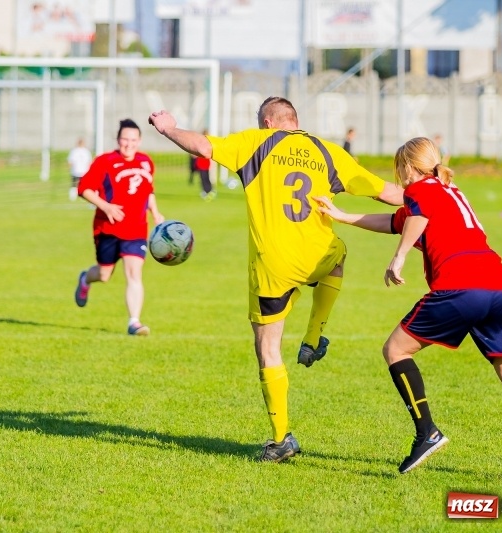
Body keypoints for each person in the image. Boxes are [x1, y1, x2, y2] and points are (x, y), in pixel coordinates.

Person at [315, 136, 502, 486]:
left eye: (399, 169)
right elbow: (397, 221)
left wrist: (399, 256)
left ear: (410, 167)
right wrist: (343, 217)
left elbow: (416, 216)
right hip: (501, 286)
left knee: (395, 350)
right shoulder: (448, 190)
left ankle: (427, 432)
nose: (400, 177)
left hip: (461, 285)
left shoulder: (422, 189)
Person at [148, 97, 403, 462]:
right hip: (316, 255)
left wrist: (169, 127)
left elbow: (203, 146)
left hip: (273, 266)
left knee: (268, 349)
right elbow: (388, 193)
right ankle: (315, 334)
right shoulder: (327, 151)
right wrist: (438, 196)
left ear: (267, 123)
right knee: (339, 254)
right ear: (294, 121)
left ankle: (282, 438)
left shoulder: (257, 143)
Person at [74, 119, 165, 336]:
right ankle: (85, 278)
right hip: (108, 229)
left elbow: (148, 191)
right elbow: (84, 188)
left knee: (134, 274)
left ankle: (134, 322)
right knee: (104, 274)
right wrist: (106, 206)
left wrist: (156, 212)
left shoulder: (146, 162)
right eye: (125, 139)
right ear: (118, 140)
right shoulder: (105, 161)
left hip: (136, 231)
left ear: (139, 141)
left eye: (133, 140)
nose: (129, 144)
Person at [195, 130, 215, 201]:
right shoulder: (201, 143)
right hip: (202, 164)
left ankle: (208, 190)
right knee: (204, 178)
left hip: (204, 164)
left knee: (205, 178)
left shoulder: (207, 143)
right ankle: (207, 190)